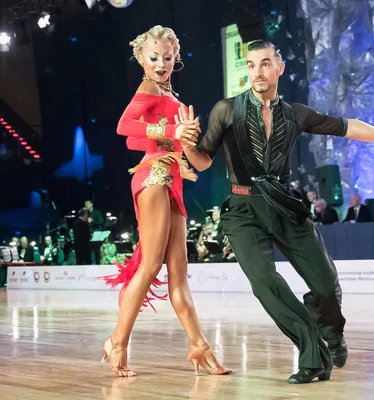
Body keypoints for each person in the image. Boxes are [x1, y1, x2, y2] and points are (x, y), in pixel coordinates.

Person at [179, 40, 374, 383]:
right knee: (265, 284)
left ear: (279, 67)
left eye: (265, 64)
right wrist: (186, 145)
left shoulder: (296, 113)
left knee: (326, 284)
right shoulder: (226, 110)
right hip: (243, 208)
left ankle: (331, 333)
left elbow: (348, 125)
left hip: (285, 203)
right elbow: (203, 159)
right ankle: (314, 354)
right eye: (252, 65)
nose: (258, 71)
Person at [100, 25, 231, 377]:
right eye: (154, 57)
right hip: (154, 179)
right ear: (140, 58)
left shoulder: (165, 92)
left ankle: (198, 346)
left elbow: (134, 142)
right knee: (150, 266)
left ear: (177, 59)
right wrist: (170, 132)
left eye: (168, 58)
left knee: (179, 274)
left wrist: (183, 139)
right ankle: (118, 342)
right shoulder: (148, 87)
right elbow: (123, 127)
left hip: (171, 180)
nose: (161, 63)